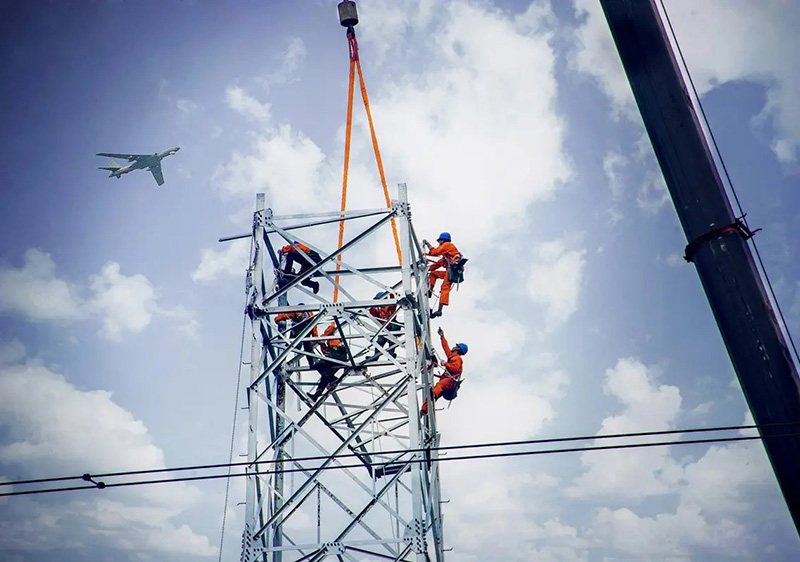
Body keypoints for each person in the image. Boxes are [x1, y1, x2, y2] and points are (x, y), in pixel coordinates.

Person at [421, 327, 467, 414]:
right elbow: (446, 348)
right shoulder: (452, 356)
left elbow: (455, 369)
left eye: (455, 346)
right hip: (447, 382)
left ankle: (433, 396)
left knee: (439, 386)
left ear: (457, 349)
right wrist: (442, 336)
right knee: (434, 395)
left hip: (449, 382)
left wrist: (445, 364)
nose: (453, 347)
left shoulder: (458, 359)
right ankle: (424, 410)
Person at [308, 321, 349, 400]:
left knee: (319, 365)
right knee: (325, 375)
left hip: (338, 353)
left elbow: (331, 327)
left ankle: (332, 379)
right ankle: (316, 395)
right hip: (336, 357)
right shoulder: (326, 343)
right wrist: (322, 343)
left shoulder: (330, 336)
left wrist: (323, 337)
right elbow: (326, 352)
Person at [424, 232, 461, 318]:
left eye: (439, 241)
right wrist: (428, 269)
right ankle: (430, 291)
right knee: (433, 274)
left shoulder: (447, 245)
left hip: (453, 270)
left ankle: (439, 310)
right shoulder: (447, 254)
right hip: (452, 270)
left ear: (443, 240)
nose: (439, 243)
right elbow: (439, 263)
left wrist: (428, 244)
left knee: (445, 287)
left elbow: (435, 252)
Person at [367, 291, 400, 360]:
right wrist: (374, 304)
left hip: (391, 328)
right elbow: (373, 312)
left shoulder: (390, 307)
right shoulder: (380, 310)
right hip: (384, 329)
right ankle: (375, 357)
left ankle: (391, 354)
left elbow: (393, 302)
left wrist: (391, 292)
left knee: (392, 341)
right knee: (379, 342)